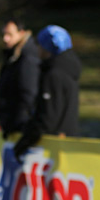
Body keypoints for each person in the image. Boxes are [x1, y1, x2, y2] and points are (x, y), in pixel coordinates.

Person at [12, 25, 81, 160]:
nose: (37, 48)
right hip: (67, 139)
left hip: (52, 147)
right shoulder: (66, 69)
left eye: (39, 44)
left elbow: (48, 117)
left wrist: (25, 141)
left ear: (46, 48)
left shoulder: (53, 75)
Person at [0, 18, 41, 136]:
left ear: (21, 33)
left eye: (9, 34)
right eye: (3, 34)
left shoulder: (27, 58)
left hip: (18, 127)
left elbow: (28, 93)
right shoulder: (13, 56)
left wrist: (16, 124)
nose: (5, 39)